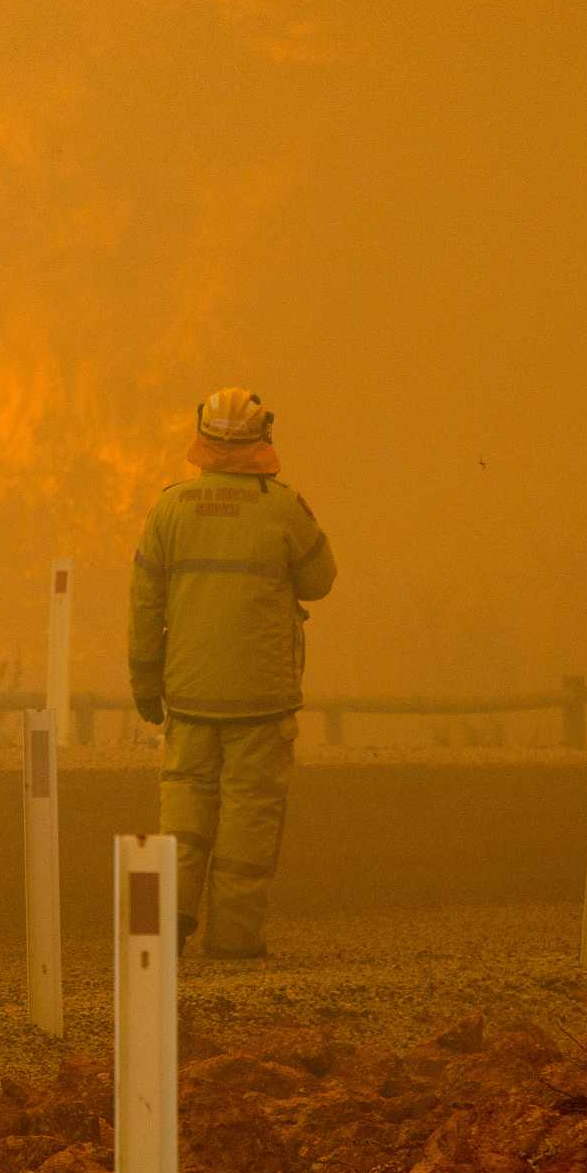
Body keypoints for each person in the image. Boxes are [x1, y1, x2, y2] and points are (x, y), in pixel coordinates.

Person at [127, 387, 338, 959]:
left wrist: (146, 683)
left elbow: (145, 606)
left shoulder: (170, 508)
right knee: (249, 815)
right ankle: (235, 941)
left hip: (190, 693)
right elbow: (320, 581)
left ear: (204, 437)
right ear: (260, 439)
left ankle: (168, 919)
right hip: (261, 697)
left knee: (184, 807)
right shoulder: (284, 507)